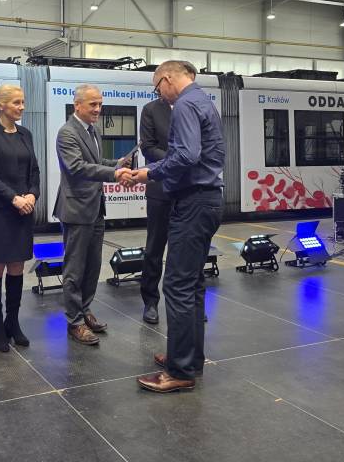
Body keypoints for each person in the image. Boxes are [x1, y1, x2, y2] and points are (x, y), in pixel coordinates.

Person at [131, 61, 224, 393]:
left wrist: (148, 173)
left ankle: (180, 371)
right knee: (193, 284)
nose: (160, 95)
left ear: (167, 79)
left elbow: (186, 156)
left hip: (193, 201)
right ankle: (189, 357)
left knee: (177, 286)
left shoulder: (184, 104)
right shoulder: (203, 101)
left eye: (158, 88)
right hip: (208, 200)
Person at [53, 84, 134, 345]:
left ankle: (85, 310)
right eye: (93, 104)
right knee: (75, 270)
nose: (98, 109)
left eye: (100, 104)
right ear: (77, 105)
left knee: (92, 267)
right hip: (76, 210)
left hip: (96, 208)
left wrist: (117, 163)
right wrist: (114, 174)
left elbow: (96, 162)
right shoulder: (67, 133)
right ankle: (74, 322)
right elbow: (77, 167)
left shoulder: (93, 130)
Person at [0, 85, 40, 353]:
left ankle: (13, 321)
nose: (22, 107)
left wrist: (32, 195)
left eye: (23, 102)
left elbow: (34, 171)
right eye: (16, 102)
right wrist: (14, 198)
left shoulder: (26, 134)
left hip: (23, 210)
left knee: (17, 267)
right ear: (1, 105)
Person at [139, 95, 173, 325]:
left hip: (189, 190)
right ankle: (150, 302)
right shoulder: (151, 110)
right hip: (160, 189)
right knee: (154, 249)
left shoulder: (192, 106)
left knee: (188, 249)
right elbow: (148, 148)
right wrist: (178, 159)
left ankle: (189, 302)